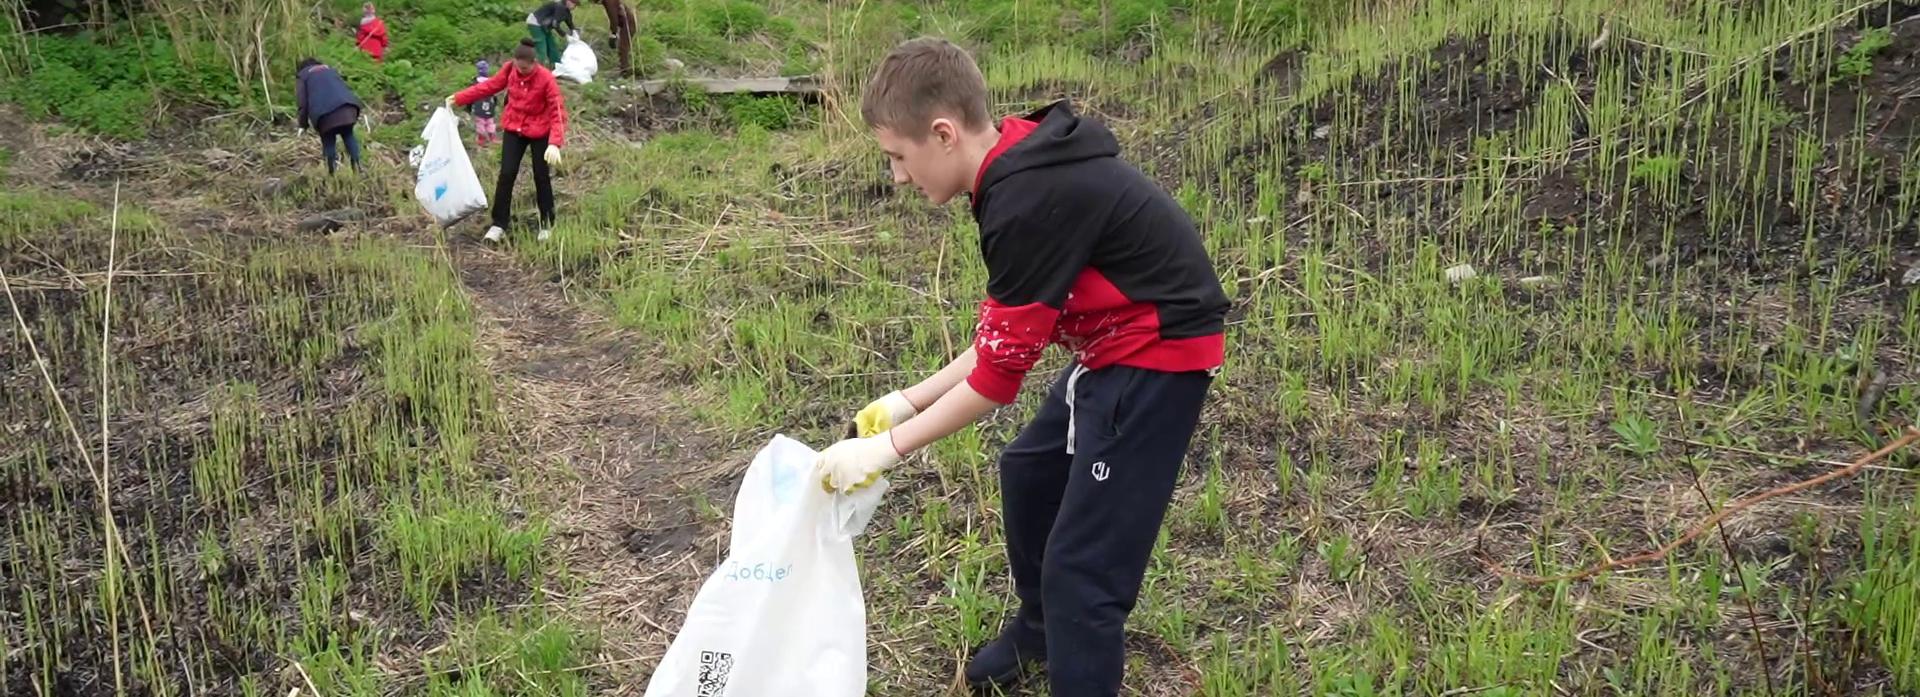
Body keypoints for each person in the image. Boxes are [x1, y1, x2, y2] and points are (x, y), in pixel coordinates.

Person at [814, 37, 1229, 697]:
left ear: (943, 134)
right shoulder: (1015, 164)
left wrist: (887, 450)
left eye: (898, 156)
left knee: (1082, 571)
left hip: (1155, 354)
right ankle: (1040, 631)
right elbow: (1002, 340)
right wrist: (907, 399)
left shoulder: (1024, 198)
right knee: (1030, 471)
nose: (896, 176)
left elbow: (994, 383)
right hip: (1110, 343)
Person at [447, 39, 568, 242]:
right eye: (519, 66)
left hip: (539, 130)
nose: (522, 71)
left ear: (534, 63)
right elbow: (490, 86)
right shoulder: (510, 70)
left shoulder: (546, 79)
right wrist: (460, 98)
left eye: (526, 68)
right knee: (506, 173)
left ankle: (547, 223)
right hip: (514, 128)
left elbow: (558, 112)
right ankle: (499, 223)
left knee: (541, 175)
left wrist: (554, 143)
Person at [294, 58, 365, 174]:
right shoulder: (330, 69)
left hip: (325, 115)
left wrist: (302, 125)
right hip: (348, 108)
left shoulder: (303, 76)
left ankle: (331, 173)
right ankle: (358, 168)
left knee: (328, 141)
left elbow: (302, 103)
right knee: (348, 135)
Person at [525, 0, 579, 68]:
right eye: (574, 3)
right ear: (568, 1)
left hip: (544, 26)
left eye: (576, 4)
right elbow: (555, 24)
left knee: (552, 46)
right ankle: (535, 70)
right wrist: (565, 35)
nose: (574, 6)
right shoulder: (559, 6)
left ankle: (557, 67)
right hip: (535, 22)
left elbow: (569, 21)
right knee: (541, 49)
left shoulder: (566, 10)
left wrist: (574, 31)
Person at [601, 0, 637, 76]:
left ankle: (625, 71)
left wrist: (613, 34)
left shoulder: (609, 2)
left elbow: (614, 19)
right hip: (624, 23)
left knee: (623, 47)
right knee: (623, 47)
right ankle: (624, 68)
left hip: (628, 24)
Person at [470, 60, 499, 147]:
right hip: (489, 105)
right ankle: (492, 137)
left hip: (479, 105)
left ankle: (481, 138)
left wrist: (469, 107)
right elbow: (494, 95)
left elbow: (471, 94)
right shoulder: (491, 81)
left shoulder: (475, 81)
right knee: (490, 121)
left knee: (480, 122)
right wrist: (495, 104)